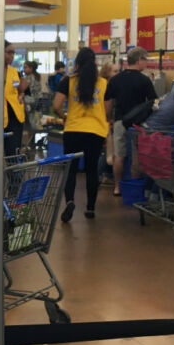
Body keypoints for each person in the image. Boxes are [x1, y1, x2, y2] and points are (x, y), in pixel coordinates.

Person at [53, 48, 109, 221]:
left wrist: (64, 117)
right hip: (96, 131)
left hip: (73, 130)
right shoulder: (103, 83)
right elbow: (107, 110)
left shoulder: (67, 81)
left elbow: (56, 106)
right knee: (92, 170)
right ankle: (90, 208)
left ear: (77, 63)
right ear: (94, 62)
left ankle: (70, 201)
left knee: (71, 169)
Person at [104, 46, 157, 196]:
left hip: (120, 121)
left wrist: (109, 118)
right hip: (138, 124)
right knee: (136, 156)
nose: (146, 63)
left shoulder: (116, 79)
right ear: (139, 60)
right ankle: (134, 186)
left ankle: (117, 187)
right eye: (145, 60)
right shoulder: (144, 80)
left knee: (119, 155)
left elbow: (108, 101)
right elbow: (153, 102)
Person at [3, 41, 28, 157]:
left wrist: (21, 94)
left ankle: (15, 175)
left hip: (15, 118)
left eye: (13, 53)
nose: (12, 56)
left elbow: (19, 90)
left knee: (13, 152)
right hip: (0, 118)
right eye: (9, 52)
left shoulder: (14, 72)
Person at [22, 60, 45, 136]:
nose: (23, 69)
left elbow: (23, 88)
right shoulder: (36, 76)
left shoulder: (29, 77)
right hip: (37, 101)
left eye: (25, 67)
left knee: (32, 124)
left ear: (31, 68)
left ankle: (31, 142)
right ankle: (32, 142)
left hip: (31, 102)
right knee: (35, 123)